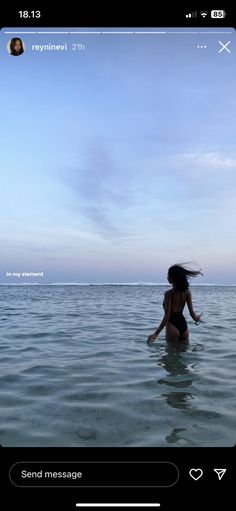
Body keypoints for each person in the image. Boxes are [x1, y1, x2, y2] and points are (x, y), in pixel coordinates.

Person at [147, 263, 203, 343]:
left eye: (168, 275)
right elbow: (193, 315)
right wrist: (198, 318)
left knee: (171, 354)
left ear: (172, 278)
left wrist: (156, 334)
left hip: (172, 327)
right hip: (184, 327)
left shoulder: (169, 294)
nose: (167, 277)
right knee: (184, 354)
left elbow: (167, 316)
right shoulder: (187, 292)